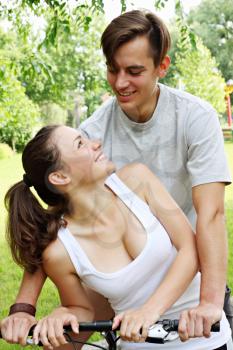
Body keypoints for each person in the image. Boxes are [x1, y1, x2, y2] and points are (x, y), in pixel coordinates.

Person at [0, 8, 232, 348]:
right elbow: (56, 228)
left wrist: (209, 304)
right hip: (123, 287)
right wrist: (25, 307)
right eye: (113, 69)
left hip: (186, 274)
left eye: (134, 71)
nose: (120, 82)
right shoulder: (94, 134)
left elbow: (210, 216)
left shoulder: (194, 118)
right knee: (73, 332)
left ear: (161, 67)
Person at [2, 124, 232, 350]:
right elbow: (82, 309)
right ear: (60, 176)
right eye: (81, 144)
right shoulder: (60, 251)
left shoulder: (137, 181)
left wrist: (150, 311)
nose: (96, 144)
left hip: (208, 339)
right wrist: (62, 314)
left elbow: (190, 248)